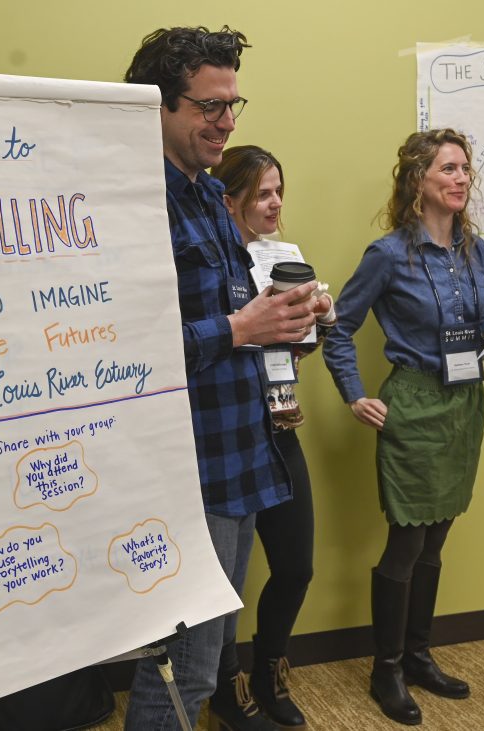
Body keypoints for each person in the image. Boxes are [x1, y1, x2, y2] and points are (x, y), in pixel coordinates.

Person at [122, 27, 329, 731]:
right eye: (210, 107)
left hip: (242, 456)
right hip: (189, 470)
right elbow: (127, 355)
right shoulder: (131, 203)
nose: (228, 123)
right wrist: (243, 328)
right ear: (156, 106)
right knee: (180, 662)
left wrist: (286, 318)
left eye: (234, 104)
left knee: (208, 658)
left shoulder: (210, 196)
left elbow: (233, 314)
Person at [322, 128, 484, 726]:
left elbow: (476, 332)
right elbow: (337, 328)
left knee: (437, 538)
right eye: (449, 168)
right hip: (414, 406)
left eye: (466, 169)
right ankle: (386, 668)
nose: (461, 179)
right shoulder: (390, 253)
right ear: (418, 180)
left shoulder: (478, 253)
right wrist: (354, 396)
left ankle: (419, 655)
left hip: (465, 405)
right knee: (407, 542)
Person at [209, 145, 336, 730]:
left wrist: (316, 319)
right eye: (262, 193)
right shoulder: (213, 266)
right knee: (225, 582)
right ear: (228, 199)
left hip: (280, 424)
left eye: (279, 190)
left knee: (296, 565)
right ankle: (223, 686)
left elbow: (296, 352)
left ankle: (268, 669)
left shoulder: (287, 256)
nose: (275, 203)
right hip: (231, 431)